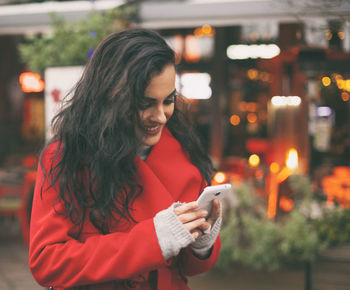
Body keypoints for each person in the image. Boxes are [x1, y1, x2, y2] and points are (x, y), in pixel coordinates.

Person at [29, 28, 222, 290]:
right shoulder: (66, 156)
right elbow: (46, 262)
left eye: (168, 100)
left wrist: (202, 243)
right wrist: (153, 240)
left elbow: (187, 269)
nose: (161, 116)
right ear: (110, 95)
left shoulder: (185, 155)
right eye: (145, 103)